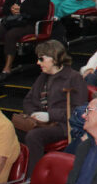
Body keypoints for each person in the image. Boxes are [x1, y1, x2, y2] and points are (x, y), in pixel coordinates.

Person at [16, 40, 88, 176]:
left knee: (33, 136)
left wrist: (50, 115)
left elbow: (79, 110)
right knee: (13, 130)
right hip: (39, 122)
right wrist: (33, 114)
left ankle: (33, 178)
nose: (38, 62)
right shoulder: (43, 77)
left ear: (54, 58)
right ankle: (17, 173)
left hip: (63, 125)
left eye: (41, 59)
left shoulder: (74, 78)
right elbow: (28, 100)